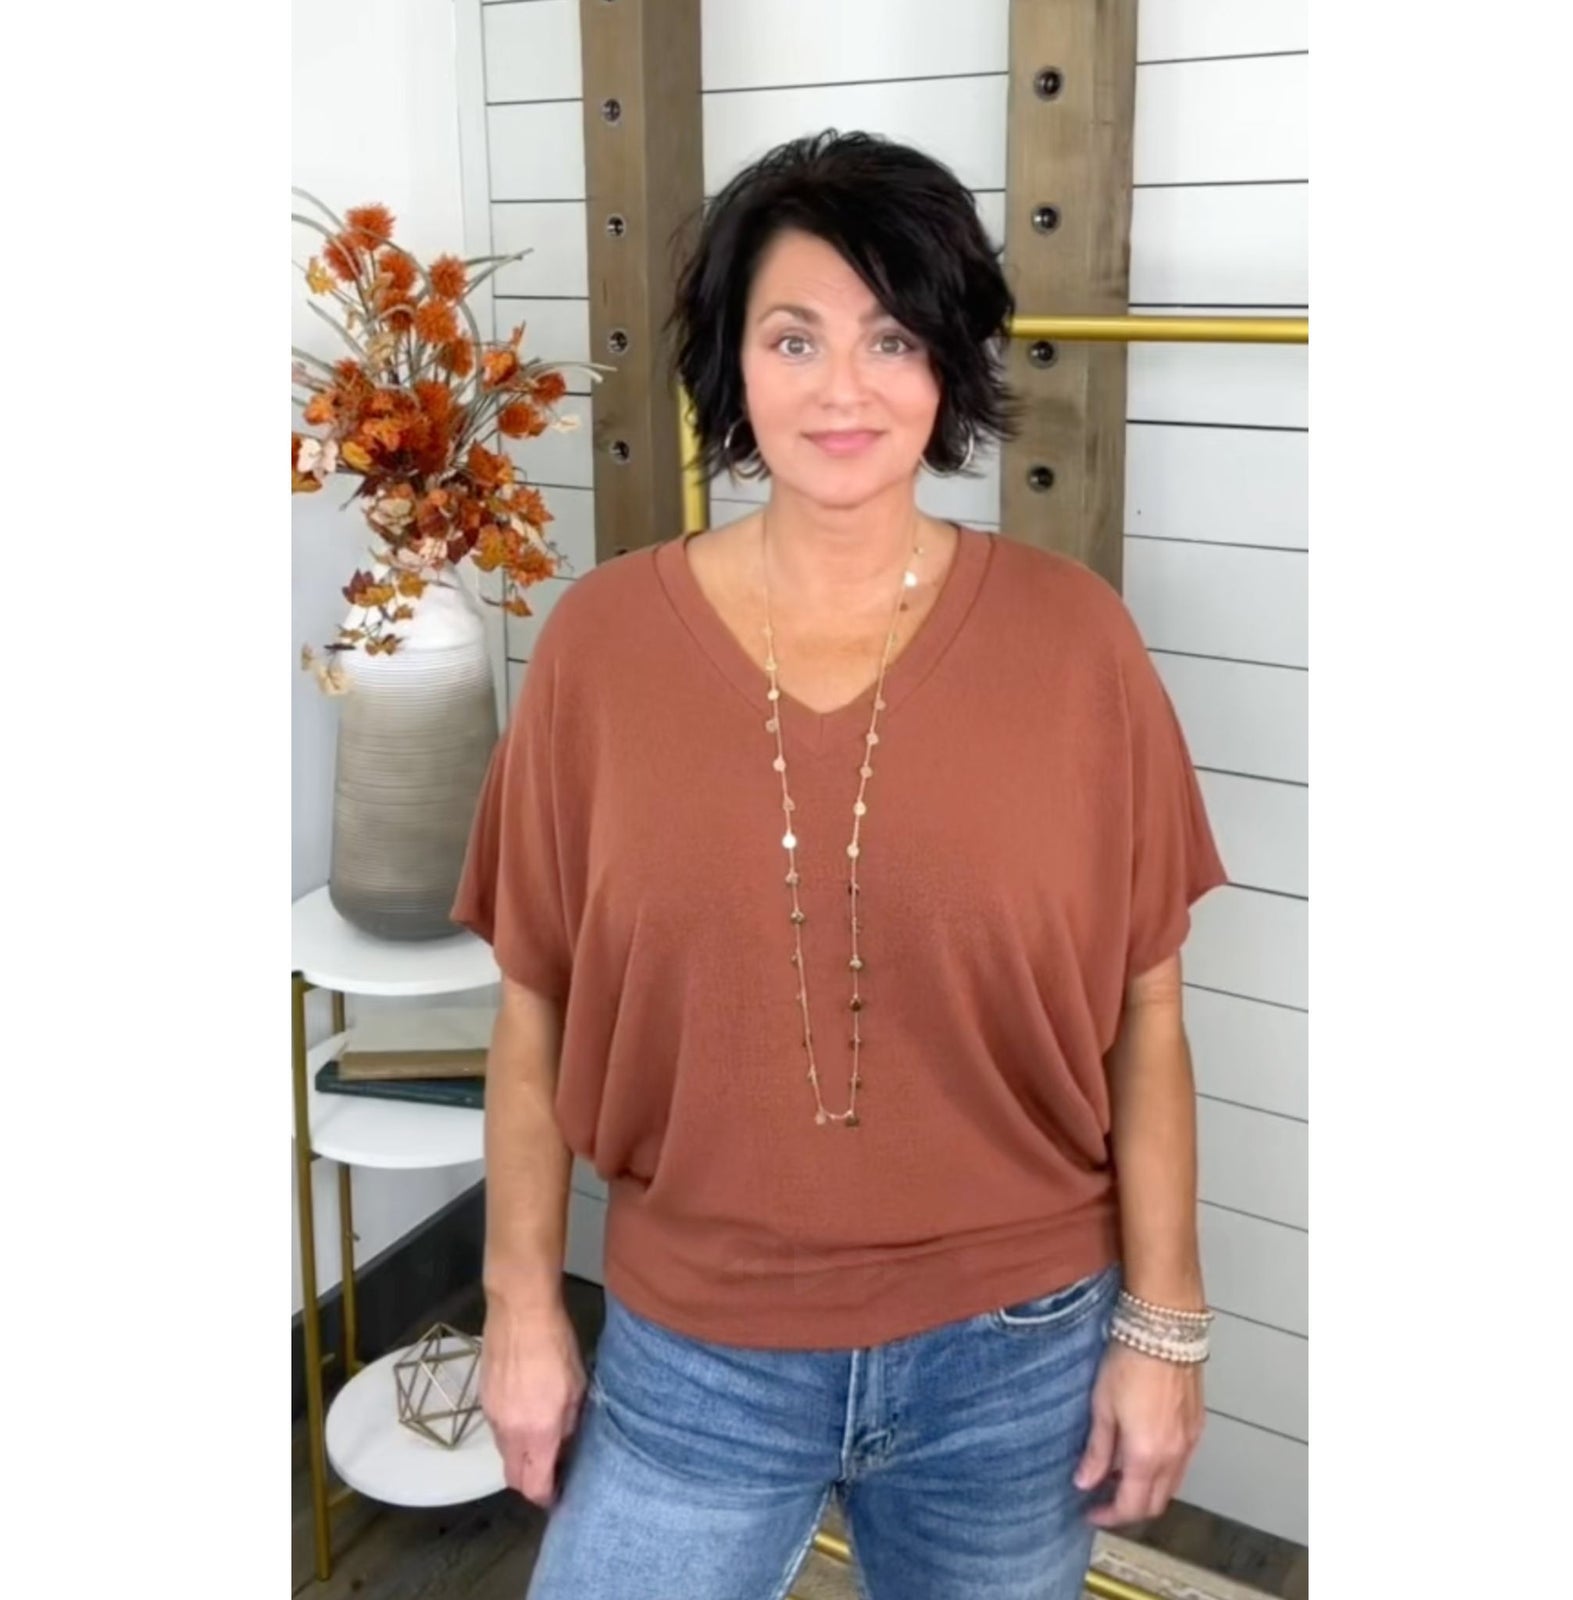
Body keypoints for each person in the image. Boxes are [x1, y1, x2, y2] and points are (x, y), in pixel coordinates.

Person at [452, 129, 1229, 1600]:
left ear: (947, 365)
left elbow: (1150, 1016)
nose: (843, 387)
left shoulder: (1076, 643)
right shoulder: (602, 648)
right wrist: (520, 1309)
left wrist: (1164, 1327)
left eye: (891, 337)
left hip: (1017, 1357)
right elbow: (533, 1010)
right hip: (696, 1349)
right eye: (793, 336)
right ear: (731, 365)